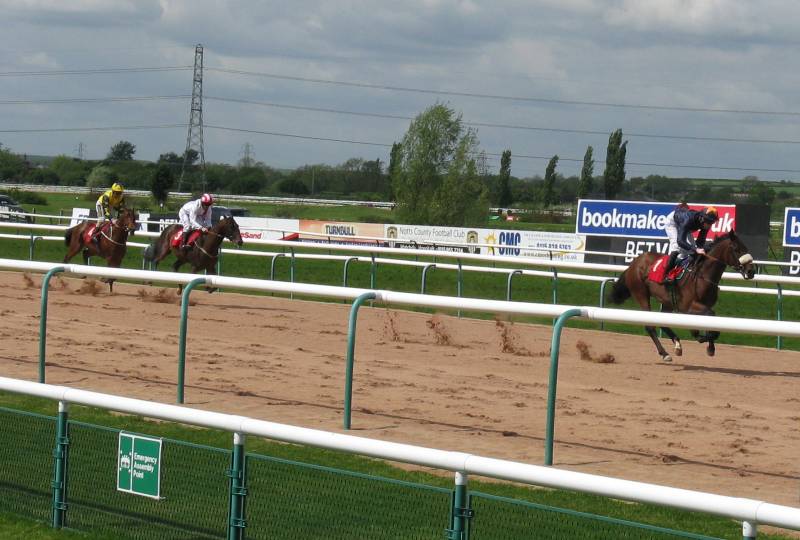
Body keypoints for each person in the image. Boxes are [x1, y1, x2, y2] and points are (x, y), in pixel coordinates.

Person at [663, 204, 719, 280]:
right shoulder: (688, 220)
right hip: (673, 223)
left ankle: (684, 271)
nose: (710, 225)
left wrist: (698, 249)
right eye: (709, 222)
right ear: (702, 218)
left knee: (692, 250)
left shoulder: (705, 223)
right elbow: (680, 241)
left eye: (712, 222)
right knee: (677, 247)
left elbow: (700, 241)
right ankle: (666, 275)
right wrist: (696, 249)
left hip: (687, 227)